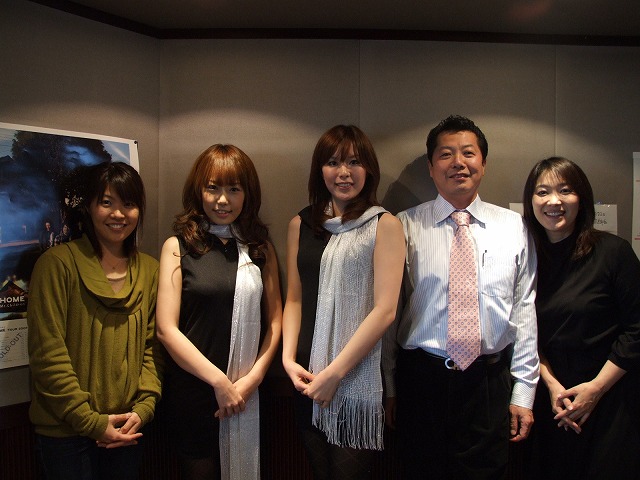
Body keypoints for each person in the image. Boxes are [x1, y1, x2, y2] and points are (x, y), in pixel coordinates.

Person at [383, 115, 539, 479]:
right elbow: (389, 313)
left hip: (488, 382)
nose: (458, 163)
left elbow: (525, 311)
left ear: (483, 163)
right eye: (446, 154)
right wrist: (389, 386)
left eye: (468, 153)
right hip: (421, 382)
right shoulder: (404, 225)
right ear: (431, 167)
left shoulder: (514, 227)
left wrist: (523, 393)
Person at [282, 125, 405, 479]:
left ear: (369, 169)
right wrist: (288, 359)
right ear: (320, 170)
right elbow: (294, 298)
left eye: (354, 162)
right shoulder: (301, 224)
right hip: (306, 374)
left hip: (354, 378)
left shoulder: (384, 225)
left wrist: (335, 374)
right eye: (333, 162)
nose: (344, 172)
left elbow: (385, 311)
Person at [27, 162, 163, 480]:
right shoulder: (57, 264)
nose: (118, 214)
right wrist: (91, 422)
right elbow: (48, 355)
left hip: (128, 428)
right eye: (106, 202)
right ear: (89, 207)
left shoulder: (150, 271)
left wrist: (144, 408)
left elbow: (152, 350)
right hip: (65, 433)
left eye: (128, 204)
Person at [156, 144, 282, 480]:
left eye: (234, 189)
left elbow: (275, 321)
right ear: (198, 191)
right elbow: (166, 329)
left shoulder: (260, 248)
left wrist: (252, 379)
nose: (222, 200)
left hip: (248, 392)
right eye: (212, 188)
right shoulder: (177, 247)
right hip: (195, 393)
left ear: (247, 194)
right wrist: (219, 382)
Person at [522, 157, 640, 479]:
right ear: (531, 201)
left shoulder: (613, 252)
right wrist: (551, 385)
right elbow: (522, 331)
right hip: (551, 399)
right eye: (543, 192)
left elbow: (636, 329)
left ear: (582, 198)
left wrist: (596, 389)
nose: (554, 201)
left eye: (565, 190)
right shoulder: (526, 257)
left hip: (610, 398)